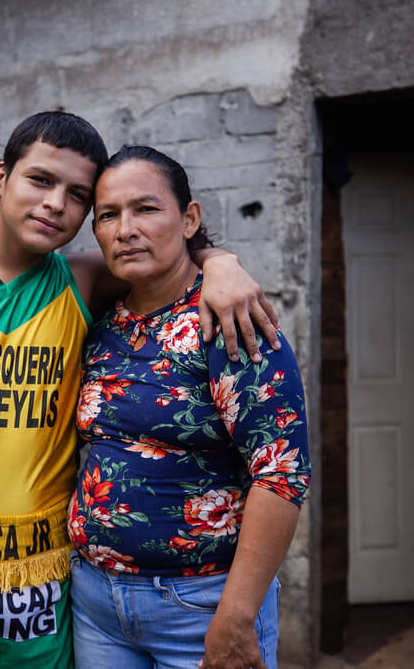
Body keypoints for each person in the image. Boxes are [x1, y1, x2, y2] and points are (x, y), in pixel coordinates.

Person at [0, 112, 280, 669]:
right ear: (0, 179)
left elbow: (168, 257)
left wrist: (223, 263)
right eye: (40, 180)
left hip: (39, 572)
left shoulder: (83, 280)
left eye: (77, 195)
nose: (55, 203)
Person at [67, 146, 311, 669]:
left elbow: (281, 474)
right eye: (108, 215)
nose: (125, 228)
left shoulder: (228, 320)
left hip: (200, 607)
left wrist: (237, 615)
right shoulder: (102, 321)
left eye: (146, 209)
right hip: (95, 604)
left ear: (189, 218)